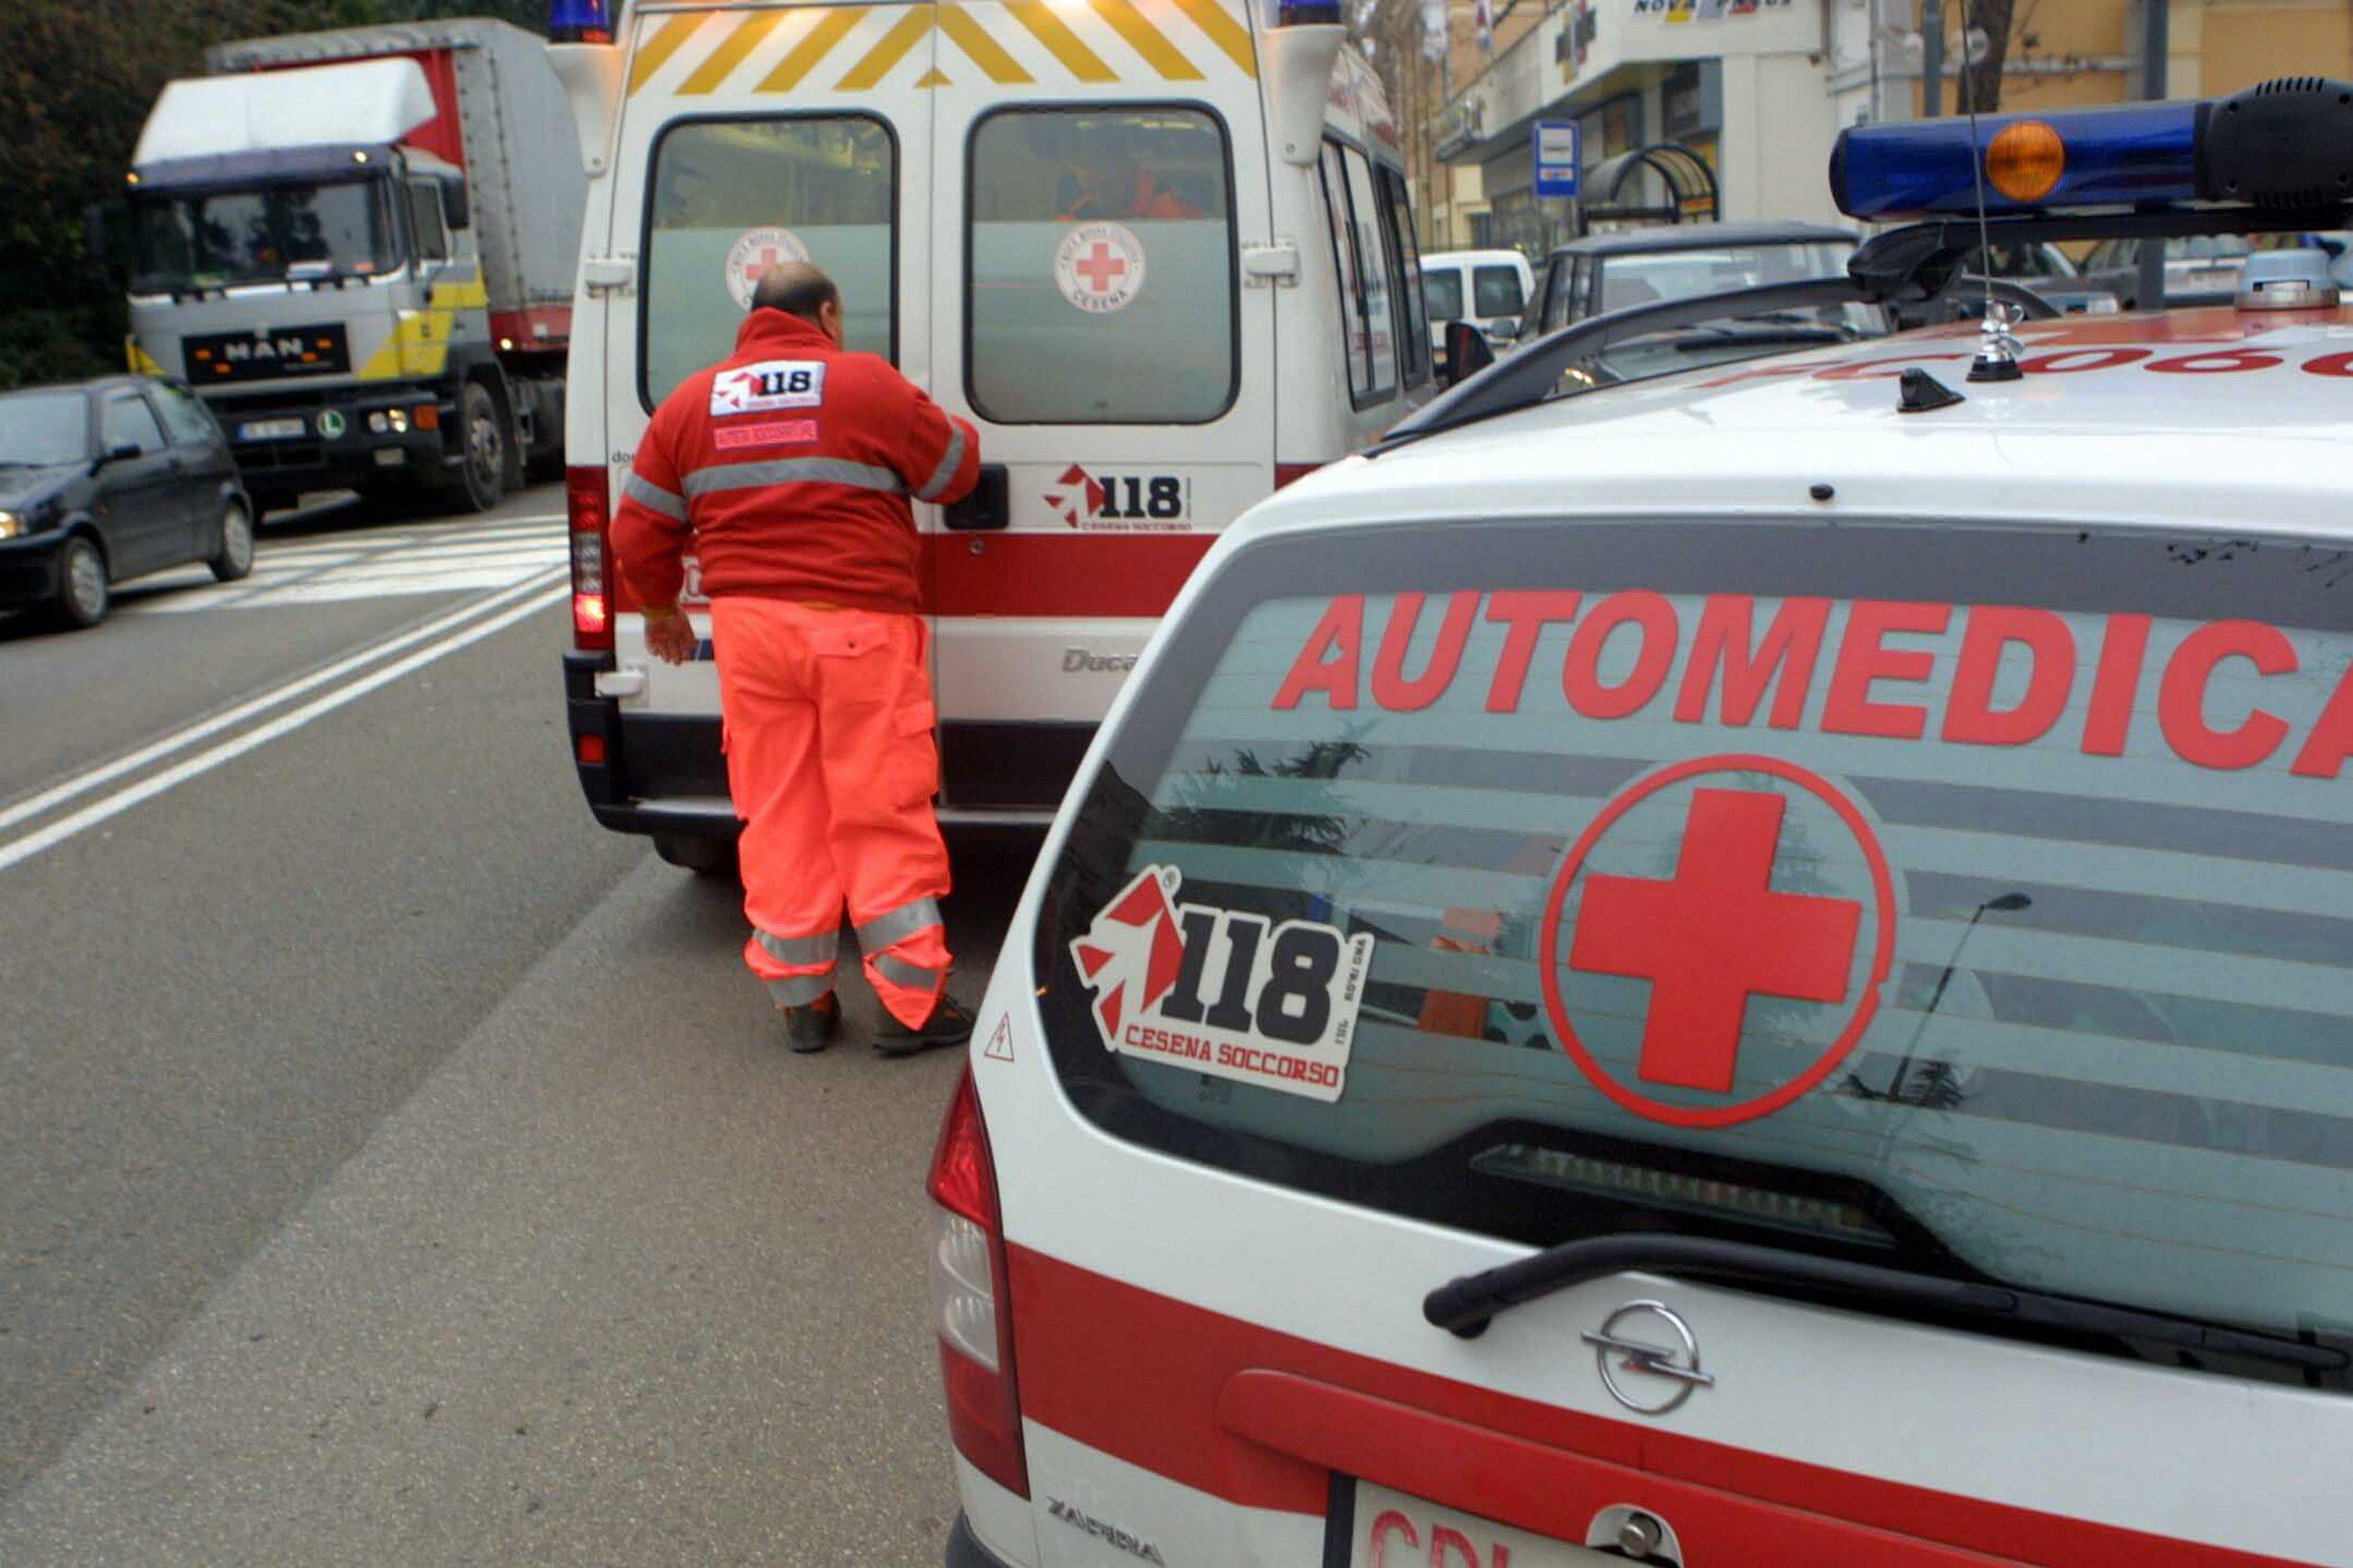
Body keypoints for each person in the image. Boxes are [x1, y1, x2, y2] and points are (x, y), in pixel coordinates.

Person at [609, 263, 981, 1056]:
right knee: (878, 808)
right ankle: (911, 1003)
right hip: (854, 629)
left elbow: (636, 530)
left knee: (779, 810)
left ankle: (803, 1003)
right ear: (828, 313)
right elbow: (954, 473)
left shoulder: (692, 401)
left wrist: (661, 609)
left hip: (750, 637)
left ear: (751, 319)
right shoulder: (862, 385)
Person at [1059, 138, 1203, 222]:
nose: (1100, 198)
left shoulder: (1169, 213)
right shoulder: (1075, 218)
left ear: (1127, 173)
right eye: (1090, 191)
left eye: (1108, 187)